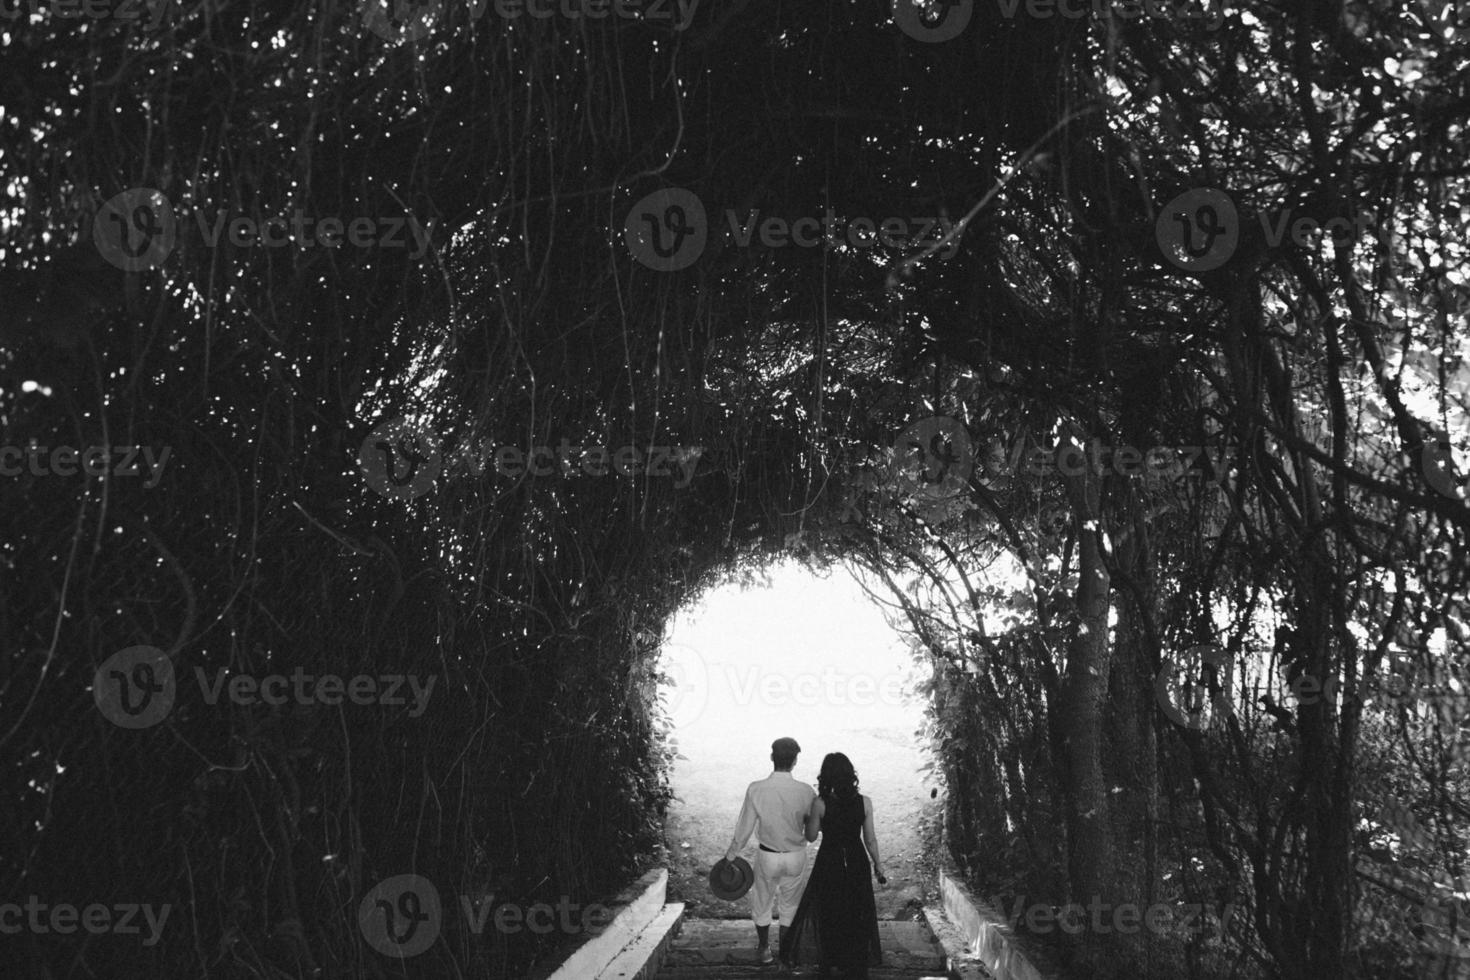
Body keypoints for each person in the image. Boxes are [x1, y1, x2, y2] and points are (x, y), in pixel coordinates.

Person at [781, 752, 886, 977]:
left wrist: (809, 818)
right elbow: (870, 839)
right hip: (857, 860)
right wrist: (878, 865)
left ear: (826, 777)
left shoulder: (820, 804)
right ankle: (855, 962)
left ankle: (831, 960)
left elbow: (810, 836)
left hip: (830, 860)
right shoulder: (865, 802)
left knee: (830, 910)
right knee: (856, 910)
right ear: (851, 775)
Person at [722, 736, 817, 965]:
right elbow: (813, 827)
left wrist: (731, 855)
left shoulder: (756, 789)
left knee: (762, 901)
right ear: (795, 761)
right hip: (795, 856)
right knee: (790, 905)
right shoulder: (806, 792)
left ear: (772, 757)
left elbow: (744, 826)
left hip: (767, 856)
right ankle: (786, 952)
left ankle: (764, 949)